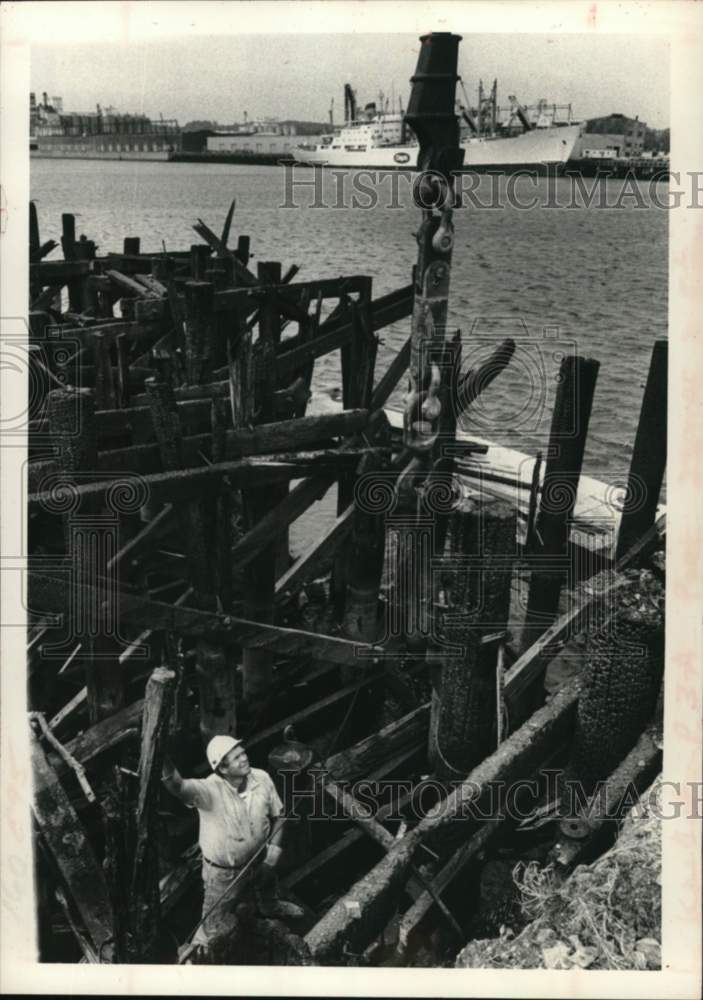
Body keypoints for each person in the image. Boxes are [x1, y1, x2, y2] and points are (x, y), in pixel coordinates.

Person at [162, 735, 302, 962]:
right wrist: (161, 756)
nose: (244, 758)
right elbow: (176, 785)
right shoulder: (208, 791)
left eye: (242, 752)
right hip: (224, 874)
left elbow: (280, 815)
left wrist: (272, 856)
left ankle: (270, 906)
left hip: (261, 858)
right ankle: (198, 953)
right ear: (222, 768)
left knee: (267, 884)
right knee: (214, 920)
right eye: (236, 757)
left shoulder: (261, 778)